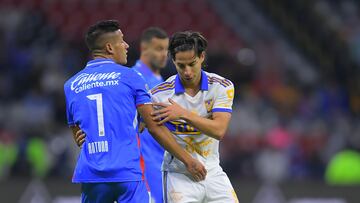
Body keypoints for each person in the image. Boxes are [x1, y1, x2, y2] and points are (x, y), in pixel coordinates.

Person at [64, 20, 206, 203]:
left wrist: (80, 136)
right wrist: (188, 160)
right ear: (109, 47)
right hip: (126, 173)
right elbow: (154, 127)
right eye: (121, 41)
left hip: (92, 175)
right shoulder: (130, 76)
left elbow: (74, 128)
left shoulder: (71, 85)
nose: (126, 45)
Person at [150, 31, 239, 202]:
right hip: (179, 174)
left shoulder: (221, 87)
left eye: (192, 64)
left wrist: (183, 114)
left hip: (213, 171)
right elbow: (147, 128)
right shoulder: (158, 95)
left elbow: (219, 130)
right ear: (173, 61)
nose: (188, 72)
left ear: (202, 57)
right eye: (181, 65)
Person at [132, 27, 169, 203]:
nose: (164, 54)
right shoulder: (133, 78)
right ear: (144, 48)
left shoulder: (160, 81)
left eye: (166, 49)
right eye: (159, 49)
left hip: (161, 158)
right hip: (144, 162)